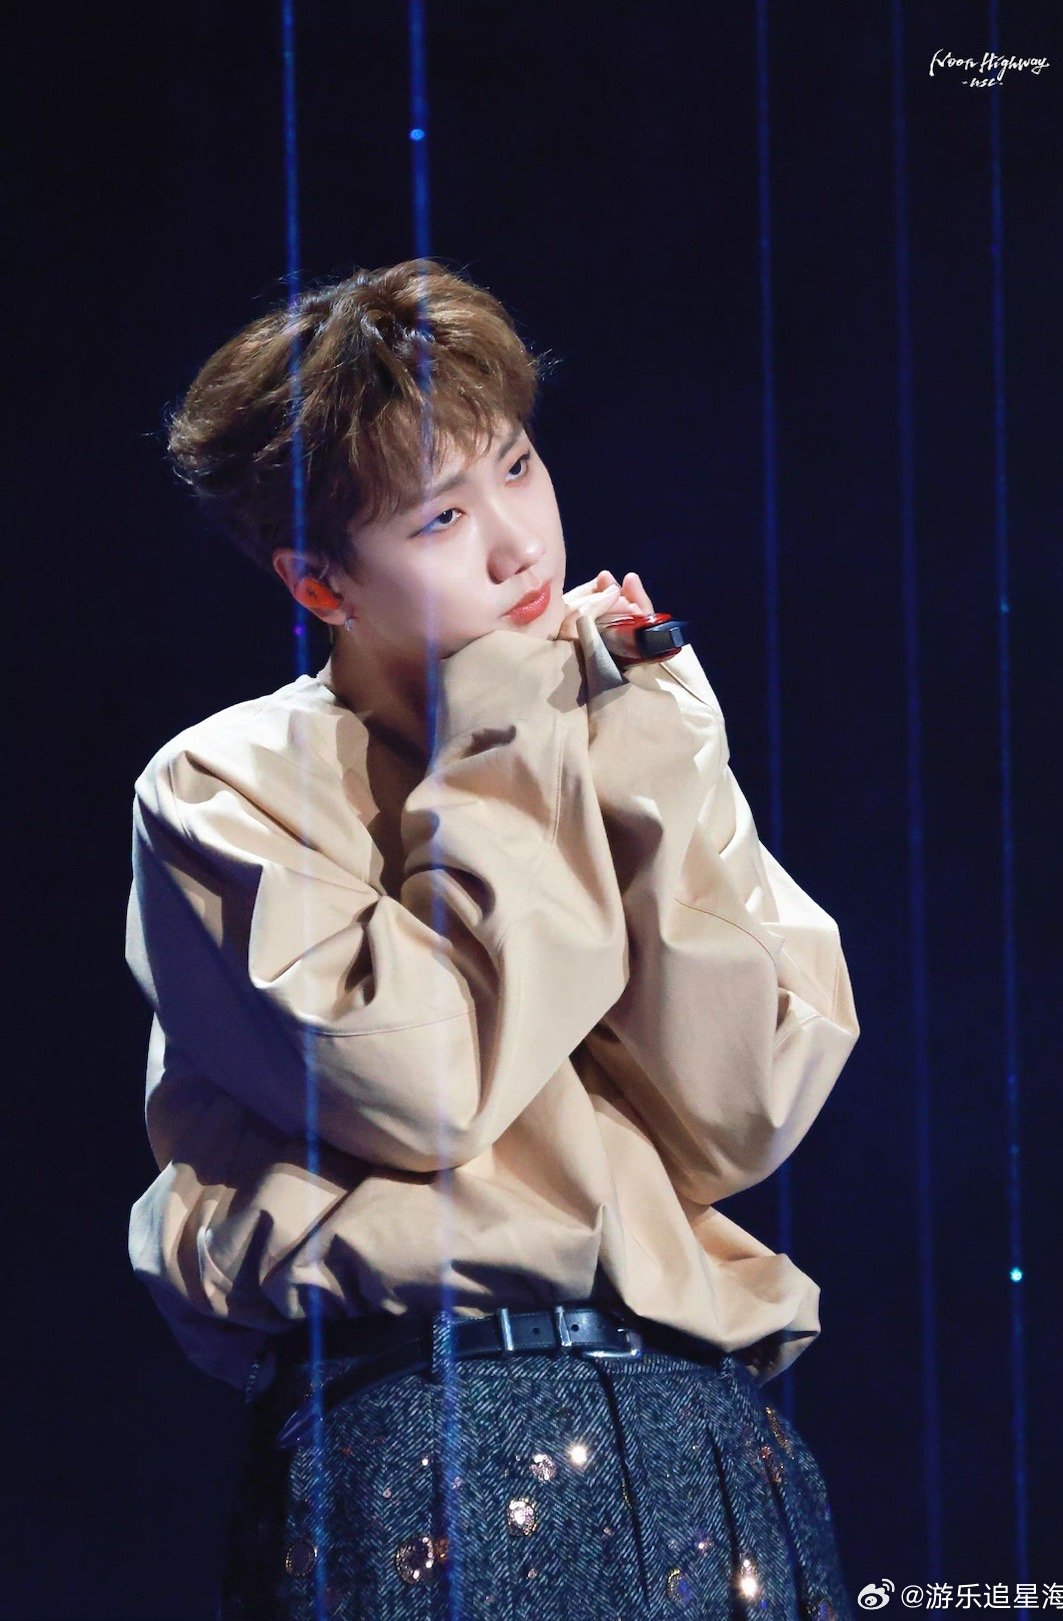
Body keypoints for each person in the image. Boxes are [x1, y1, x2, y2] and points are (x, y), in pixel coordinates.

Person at [125, 257, 861, 1620]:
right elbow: (428, 1084)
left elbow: (744, 1110)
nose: (521, 544)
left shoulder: (619, 718)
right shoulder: (226, 788)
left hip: (705, 1426)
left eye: (519, 466)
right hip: (428, 1432)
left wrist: (650, 761)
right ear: (321, 582)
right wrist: (512, 734)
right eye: (445, 514)